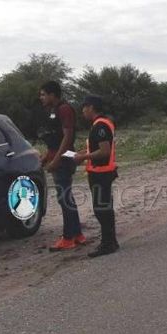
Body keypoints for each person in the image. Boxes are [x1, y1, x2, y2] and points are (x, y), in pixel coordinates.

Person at [38, 81, 86, 251]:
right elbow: (55, 140)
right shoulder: (52, 111)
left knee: (64, 198)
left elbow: (67, 138)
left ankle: (68, 238)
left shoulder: (64, 109)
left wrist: (56, 161)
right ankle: (77, 234)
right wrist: (46, 156)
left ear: (53, 94)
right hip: (58, 157)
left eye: (43, 94)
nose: (41, 97)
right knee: (67, 197)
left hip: (64, 159)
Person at [74, 95, 119, 258]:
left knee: (102, 209)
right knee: (104, 208)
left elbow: (104, 151)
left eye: (84, 107)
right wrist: (83, 154)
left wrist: (83, 158)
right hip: (102, 172)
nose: (83, 111)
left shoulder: (100, 126)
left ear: (91, 107)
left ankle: (108, 244)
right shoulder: (102, 123)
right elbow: (98, 149)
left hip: (101, 173)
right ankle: (111, 241)